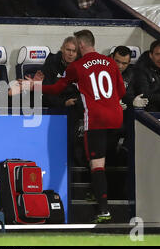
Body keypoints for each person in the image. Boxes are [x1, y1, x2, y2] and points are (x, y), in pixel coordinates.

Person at [26, 30, 126, 223]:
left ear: (81, 45)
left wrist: (34, 86)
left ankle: (103, 210)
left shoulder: (77, 66)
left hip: (96, 118)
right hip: (116, 118)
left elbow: (56, 88)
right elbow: (121, 91)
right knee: (106, 162)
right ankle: (95, 192)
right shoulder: (111, 62)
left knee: (97, 165)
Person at [41, 36, 81, 109]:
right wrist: (64, 103)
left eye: (74, 51)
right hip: (54, 104)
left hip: (74, 103)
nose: (71, 54)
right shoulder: (51, 63)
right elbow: (47, 91)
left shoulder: (81, 65)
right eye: (68, 50)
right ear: (62, 49)